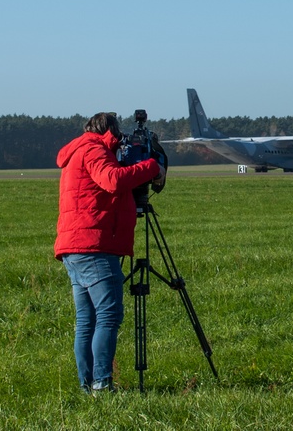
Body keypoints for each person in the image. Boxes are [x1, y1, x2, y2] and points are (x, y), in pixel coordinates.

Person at [54, 112, 164, 393]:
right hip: (94, 246)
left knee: (87, 319)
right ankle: (102, 384)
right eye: (117, 136)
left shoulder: (78, 150)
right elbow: (113, 180)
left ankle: (86, 385)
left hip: (75, 246)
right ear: (109, 131)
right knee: (108, 315)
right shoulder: (93, 149)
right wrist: (151, 167)